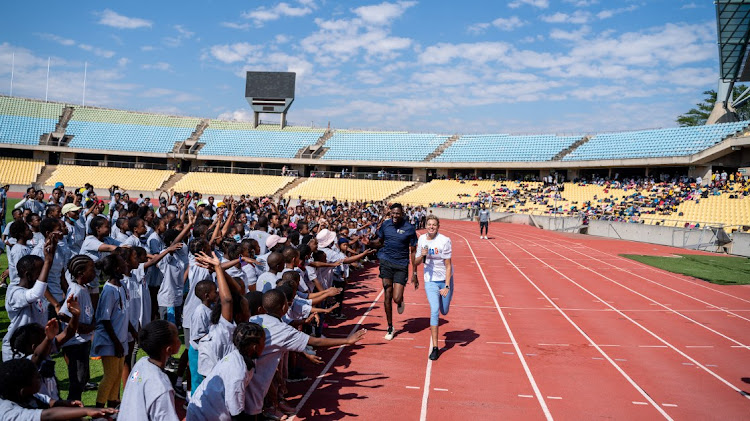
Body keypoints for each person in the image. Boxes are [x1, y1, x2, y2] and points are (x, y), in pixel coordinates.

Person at [187, 322, 266, 421]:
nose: (265, 345)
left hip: (209, 410)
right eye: (264, 341)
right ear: (255, 347)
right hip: (203, 415)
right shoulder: (238, 373)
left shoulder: (238, 356)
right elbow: (236, 413)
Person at [0, 358, 118, 420]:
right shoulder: (8, 413)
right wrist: (87, 411)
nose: (40, 378)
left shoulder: (27, 395)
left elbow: (50, 403)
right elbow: (48, 415)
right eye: (37, 377)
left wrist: (65, 403)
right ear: (23, 389)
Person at [118, 320, 182, 421]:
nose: (180, 341)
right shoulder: (162, 386)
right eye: (177, 337)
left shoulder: (140, 364)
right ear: (169, 350)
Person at [371, 203, 417, 340]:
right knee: (387, 294)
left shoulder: (409, 228)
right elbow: (380, 242)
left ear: (402, 213)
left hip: (401, 264)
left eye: (398, 213)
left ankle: (400, 300)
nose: (395, 216)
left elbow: (413, 250)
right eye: (393, 213)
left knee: (396, 298)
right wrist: (369, 243)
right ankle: (390, 327)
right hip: (386, 262)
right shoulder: (386, 225)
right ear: (390, 213)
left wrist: (414, 272)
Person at [413, 215, 454, 361]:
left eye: (434, 225)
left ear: (438, 226)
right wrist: (422, 255)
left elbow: (448, 265)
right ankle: (436, 347)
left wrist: (447, 285)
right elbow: (416, 262)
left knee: (445, 310)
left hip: (444, 279)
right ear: (425, 225)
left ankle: (446, 298)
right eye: (429, 224)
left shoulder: (444, 241)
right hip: (430, 280)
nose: (431, 227)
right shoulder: (422, 239)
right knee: (435, 310)